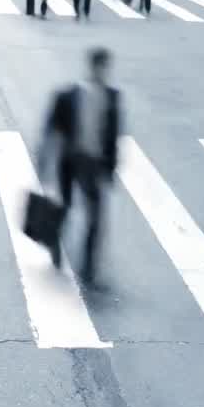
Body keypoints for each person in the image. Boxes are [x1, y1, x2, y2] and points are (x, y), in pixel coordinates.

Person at [37, 48, 121, 285]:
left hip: (94, 164)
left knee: (96, 217)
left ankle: (89, 267)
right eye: (100, 66)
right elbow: (51, 130)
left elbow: (113, 135)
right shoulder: (69, 94)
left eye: (106, 67)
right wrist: (44, 162)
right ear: (92, 66)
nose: (104, 72)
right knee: (64, 207)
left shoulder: (113, 96)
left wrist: (111, 168)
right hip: (70, 160)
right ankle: (54, 243)